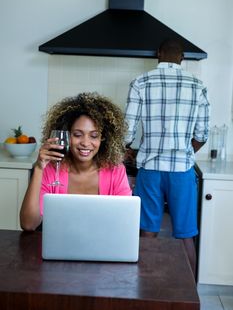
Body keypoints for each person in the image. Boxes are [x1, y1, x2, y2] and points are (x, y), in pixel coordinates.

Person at [124, 38, 210, 275]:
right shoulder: (198, 85)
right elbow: (202, 134)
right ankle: (190, 295)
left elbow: (127, 130)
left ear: (158, 54)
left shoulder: (140, 82)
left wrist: (128, 150)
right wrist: (185, 151)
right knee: (185, 235)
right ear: (182, 57)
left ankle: (143, 289)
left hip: (149, 171)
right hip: (182, 172)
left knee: (147, 232)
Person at [20, 92, 132, 231]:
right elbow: (28, 224)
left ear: (103, 139)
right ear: (66, 136)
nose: (85, 143)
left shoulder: (115, 170)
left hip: (101, 246)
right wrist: (38, 168)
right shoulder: (51, 169)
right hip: (59, 247)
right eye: (77, 135)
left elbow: (125, 223)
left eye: (94, 136)